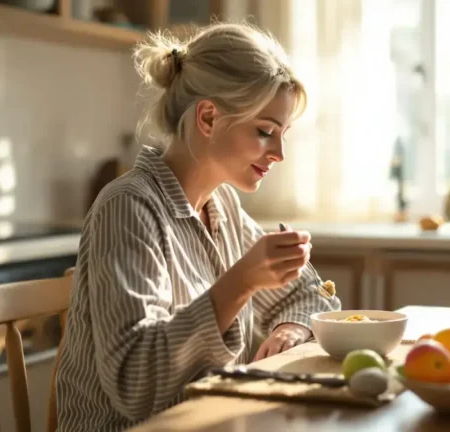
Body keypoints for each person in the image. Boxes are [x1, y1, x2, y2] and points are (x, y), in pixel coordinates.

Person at [55, 23, 342, 431]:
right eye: (265, 132)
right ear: (208, 117)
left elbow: (315, 299)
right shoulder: (127, 209)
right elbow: (137, 386)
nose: (279, 153)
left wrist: (292, 328)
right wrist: (240, 282)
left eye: (283, 135)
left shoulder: (220, 205)